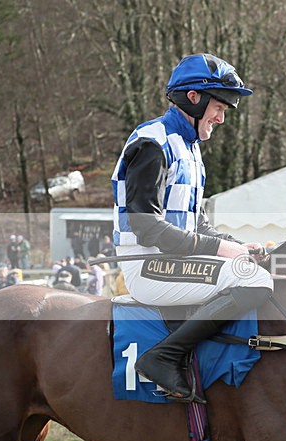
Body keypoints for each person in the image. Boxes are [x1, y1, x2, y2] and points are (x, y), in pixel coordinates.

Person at [111, 53, 272, 403]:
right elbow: (146, 226)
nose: (222, 118)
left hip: (171, 263)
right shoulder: (152, 142)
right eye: (220, 107)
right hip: (148, 266)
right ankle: (163, 357)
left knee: (257, 267)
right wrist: (222, 250)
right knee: (254, 280)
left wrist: (241, 246)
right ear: (194, 98)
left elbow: (196, 225)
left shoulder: (190, 149)